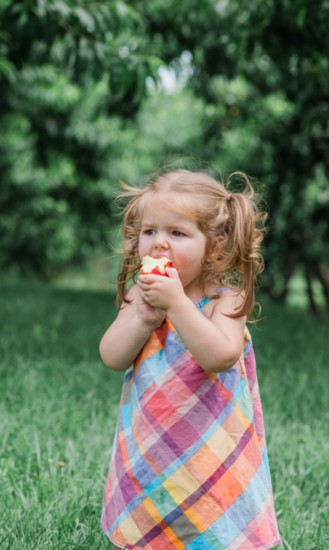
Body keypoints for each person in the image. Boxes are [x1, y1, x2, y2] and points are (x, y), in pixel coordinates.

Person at [100, 169, 282, 549]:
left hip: (211, 450)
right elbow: (112, 356)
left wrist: (178, 305)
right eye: (150, 231)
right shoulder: (141, 297)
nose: (159, 244)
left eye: (177, 233)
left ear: (213, 246)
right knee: (155, 521)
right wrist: (143, 320)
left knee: (212, 528)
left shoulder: (224, 301)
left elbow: (220, 355)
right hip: (152, 447)